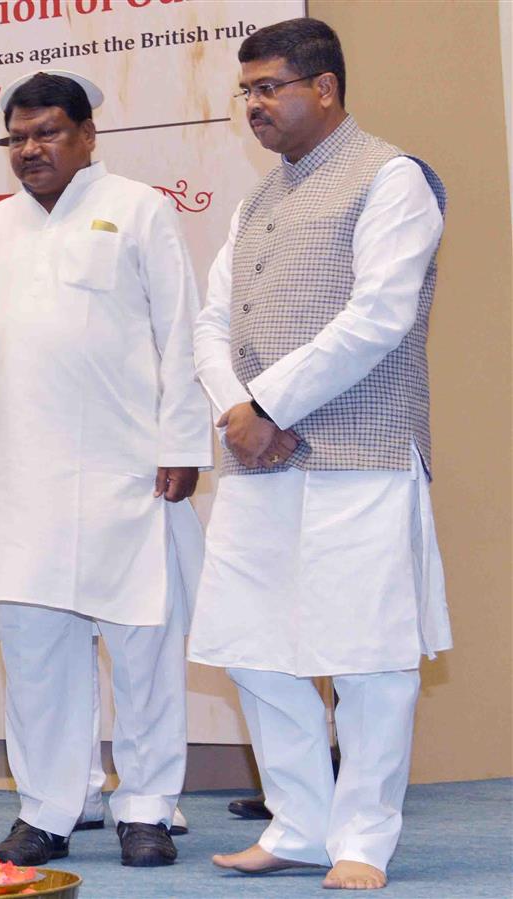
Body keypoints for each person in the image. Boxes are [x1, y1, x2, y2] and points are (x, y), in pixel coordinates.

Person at [187, 17, 449, 891]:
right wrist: (235, 407)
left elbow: (378, 314)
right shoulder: (256, 199)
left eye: (268, 87)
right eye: (247, 91)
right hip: (259, 457)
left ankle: (363, 839)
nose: (253, 105)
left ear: (324, 88)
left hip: (361, 452)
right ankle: (298, 822)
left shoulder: (392, 178)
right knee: (250, 642)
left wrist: (269, 402)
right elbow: (209, 323)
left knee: (368, 653)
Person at [0, 71, 210, 869]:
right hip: (23, 483)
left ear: (87, 136)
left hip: (129, 473)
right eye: (16, 137)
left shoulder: (138, 209)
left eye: (47, 132)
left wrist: (180, 442)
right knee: (36, 653)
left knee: (144, 648)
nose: (30, 149)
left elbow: (178, 331)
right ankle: (47, 807)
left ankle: (148, 804)